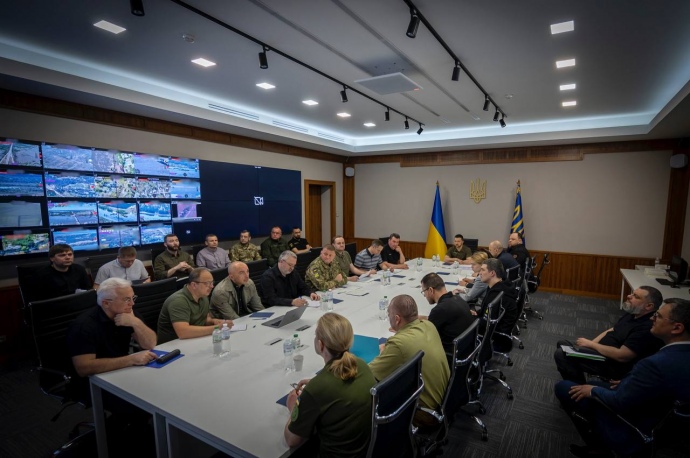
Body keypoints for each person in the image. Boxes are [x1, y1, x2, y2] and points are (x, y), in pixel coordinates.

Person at [554, 298, 690, 458]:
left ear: (677, 328)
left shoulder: (655, 363)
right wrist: (631, 382)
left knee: (564, 387)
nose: (652, 319)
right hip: (660, 411)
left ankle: (600, 448)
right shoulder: (679, 353)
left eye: (658, 316)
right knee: (587, 379)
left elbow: (620, 400)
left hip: (638, 424)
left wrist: (592, 390)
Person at [284, 313, 376, 456]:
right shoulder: (362, 366)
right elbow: (341, 387)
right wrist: (318, 384)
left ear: (320, 345)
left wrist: (293, 408)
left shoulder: (316, 390)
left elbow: (291, 440)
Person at [67, 278, 157, 402]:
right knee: (145, 401)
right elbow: (84, 368)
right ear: (106, 303)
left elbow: (150, 344)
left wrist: (136, 323)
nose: (132, 303)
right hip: (93, 381)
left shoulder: (128, 314)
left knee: (156, 390)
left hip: (121, 370)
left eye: (133, 298)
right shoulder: (84, 326)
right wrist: (131, 359)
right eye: (126, 299)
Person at [554, 286, 663, 384]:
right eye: (632, 293)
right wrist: (591, 343)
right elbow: (613, 329)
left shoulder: (645, 328)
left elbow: (622, 356)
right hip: (601, 351)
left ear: (649, 306)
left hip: (610, 362)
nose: (629, 296)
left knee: (561, 354)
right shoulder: (634, 313)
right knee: (562, 344)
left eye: (636, 296)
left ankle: (577, 390)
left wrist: (591, 345)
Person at [369, 294, 449, 427]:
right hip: (444, 399)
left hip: (424, 413)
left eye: (389, 314)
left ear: (397, 319)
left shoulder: (399, 344)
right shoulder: (429, 325)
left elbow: (368, 374)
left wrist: (386, 351)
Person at [157, 267, 227, 344]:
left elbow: (203, 319)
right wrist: (216, 328)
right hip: (172, 344)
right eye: (207, 283)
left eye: (212, 282)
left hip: (194, 340)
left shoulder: (203, 296)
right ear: (194, 285)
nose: (212, 286)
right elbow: (183, 332)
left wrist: (214, 321)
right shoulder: (178, 301)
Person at [420, 273, 476, 354]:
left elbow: (425, 337)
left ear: (431, 290)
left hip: (449, 354)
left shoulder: (439, 310)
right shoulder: (458, 299)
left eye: (424, 292)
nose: (424, 296)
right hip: (467, 349)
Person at [477, 259, 518, 337]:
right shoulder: (503, 284)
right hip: (498, 327)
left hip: (495, 334)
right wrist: (478, 313)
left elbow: (487, 323)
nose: (480, 273)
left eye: (482, 270)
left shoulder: (496, 295)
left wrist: (470, 318)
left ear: (492, 273)